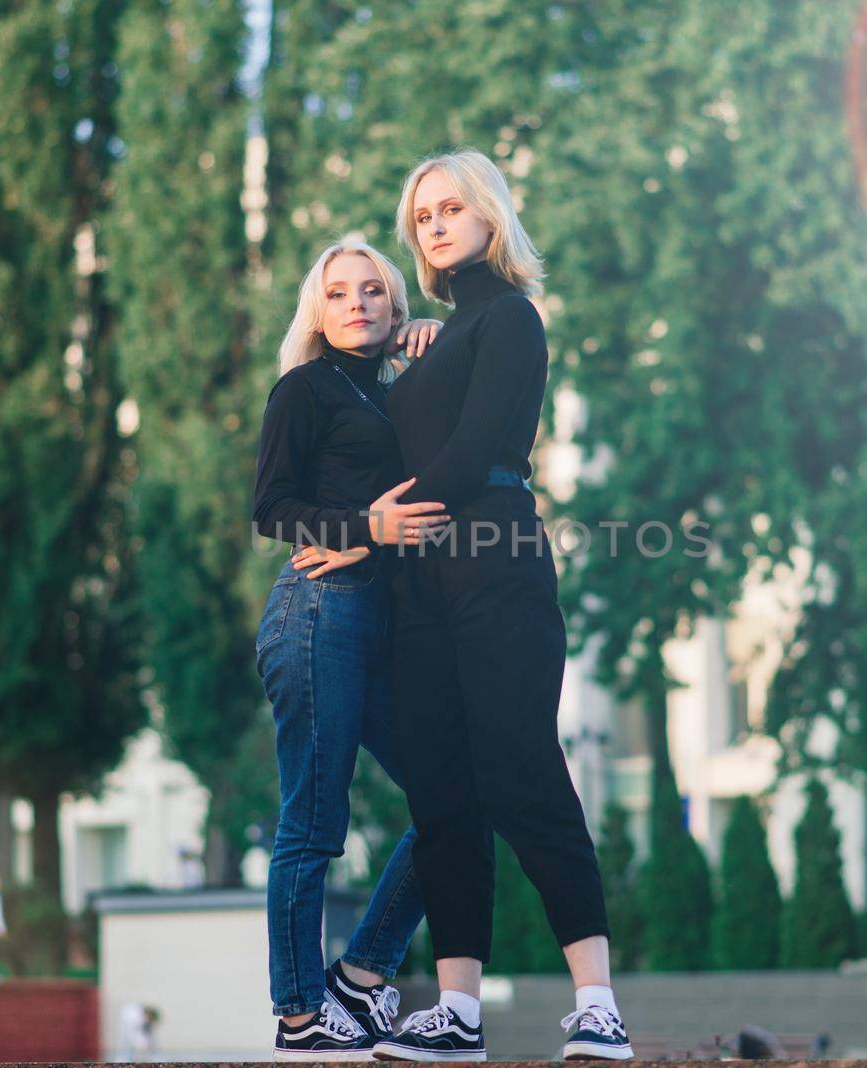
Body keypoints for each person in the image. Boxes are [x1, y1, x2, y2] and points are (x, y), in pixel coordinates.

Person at [370, 150, 632, 1062]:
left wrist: (376, 524)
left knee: (521, 768)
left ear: (488, 216)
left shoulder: (513, 318)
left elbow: (480, 441)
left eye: (450, 209)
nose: (436, 227)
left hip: (495, 555)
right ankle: (457, 1014)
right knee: (442, 793)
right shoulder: (432, 345)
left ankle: (598, 1005)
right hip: (420, 584)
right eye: (423, 218)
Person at [253, 239, 448, 1061]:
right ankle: (300, 1011)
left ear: (396, 307)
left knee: (455, 793)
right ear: (319, 310)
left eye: (375, 290)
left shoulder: (396, 393)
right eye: (339, 293)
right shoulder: (304, 389)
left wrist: (444, 346)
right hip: (316, 613)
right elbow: (271, 507)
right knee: (314, 820)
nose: (358, 303)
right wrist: (365, 529)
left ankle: (362, 975)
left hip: (377, 627)